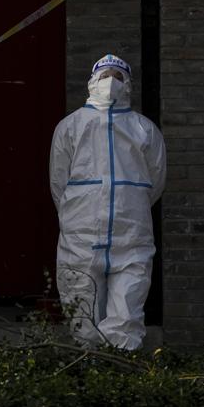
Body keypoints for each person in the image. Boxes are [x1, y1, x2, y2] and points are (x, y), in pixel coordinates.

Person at [49, 53, 166, 350]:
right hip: (81, 233)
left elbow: (156, 179)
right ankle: (90, 368)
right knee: (81, 307)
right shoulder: (70, 126)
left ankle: (120, 368)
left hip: (131, 234)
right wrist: (76, 212)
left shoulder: (145, 129)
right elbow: (58, 181)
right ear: (91, 81)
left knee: (128, 308)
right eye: (104, 76)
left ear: (128, 85)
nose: (110, 83)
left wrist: (131, 204)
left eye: (117, 76)